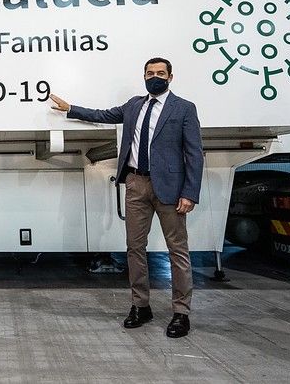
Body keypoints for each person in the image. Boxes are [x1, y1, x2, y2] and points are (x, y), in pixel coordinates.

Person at [50, 57, 203, 338]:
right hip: (135, 183)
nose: (154, 77)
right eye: (150, 73)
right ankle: (140, 306)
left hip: (170, 189)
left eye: (160, 73)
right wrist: (71, 108)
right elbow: (103, 115)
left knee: (177, 251)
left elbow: (194, 153)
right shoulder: (134, 105)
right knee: (134, 248)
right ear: (144, 76)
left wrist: (190, 192)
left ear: (170, 77)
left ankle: (181, 313)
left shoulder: (184, 108)